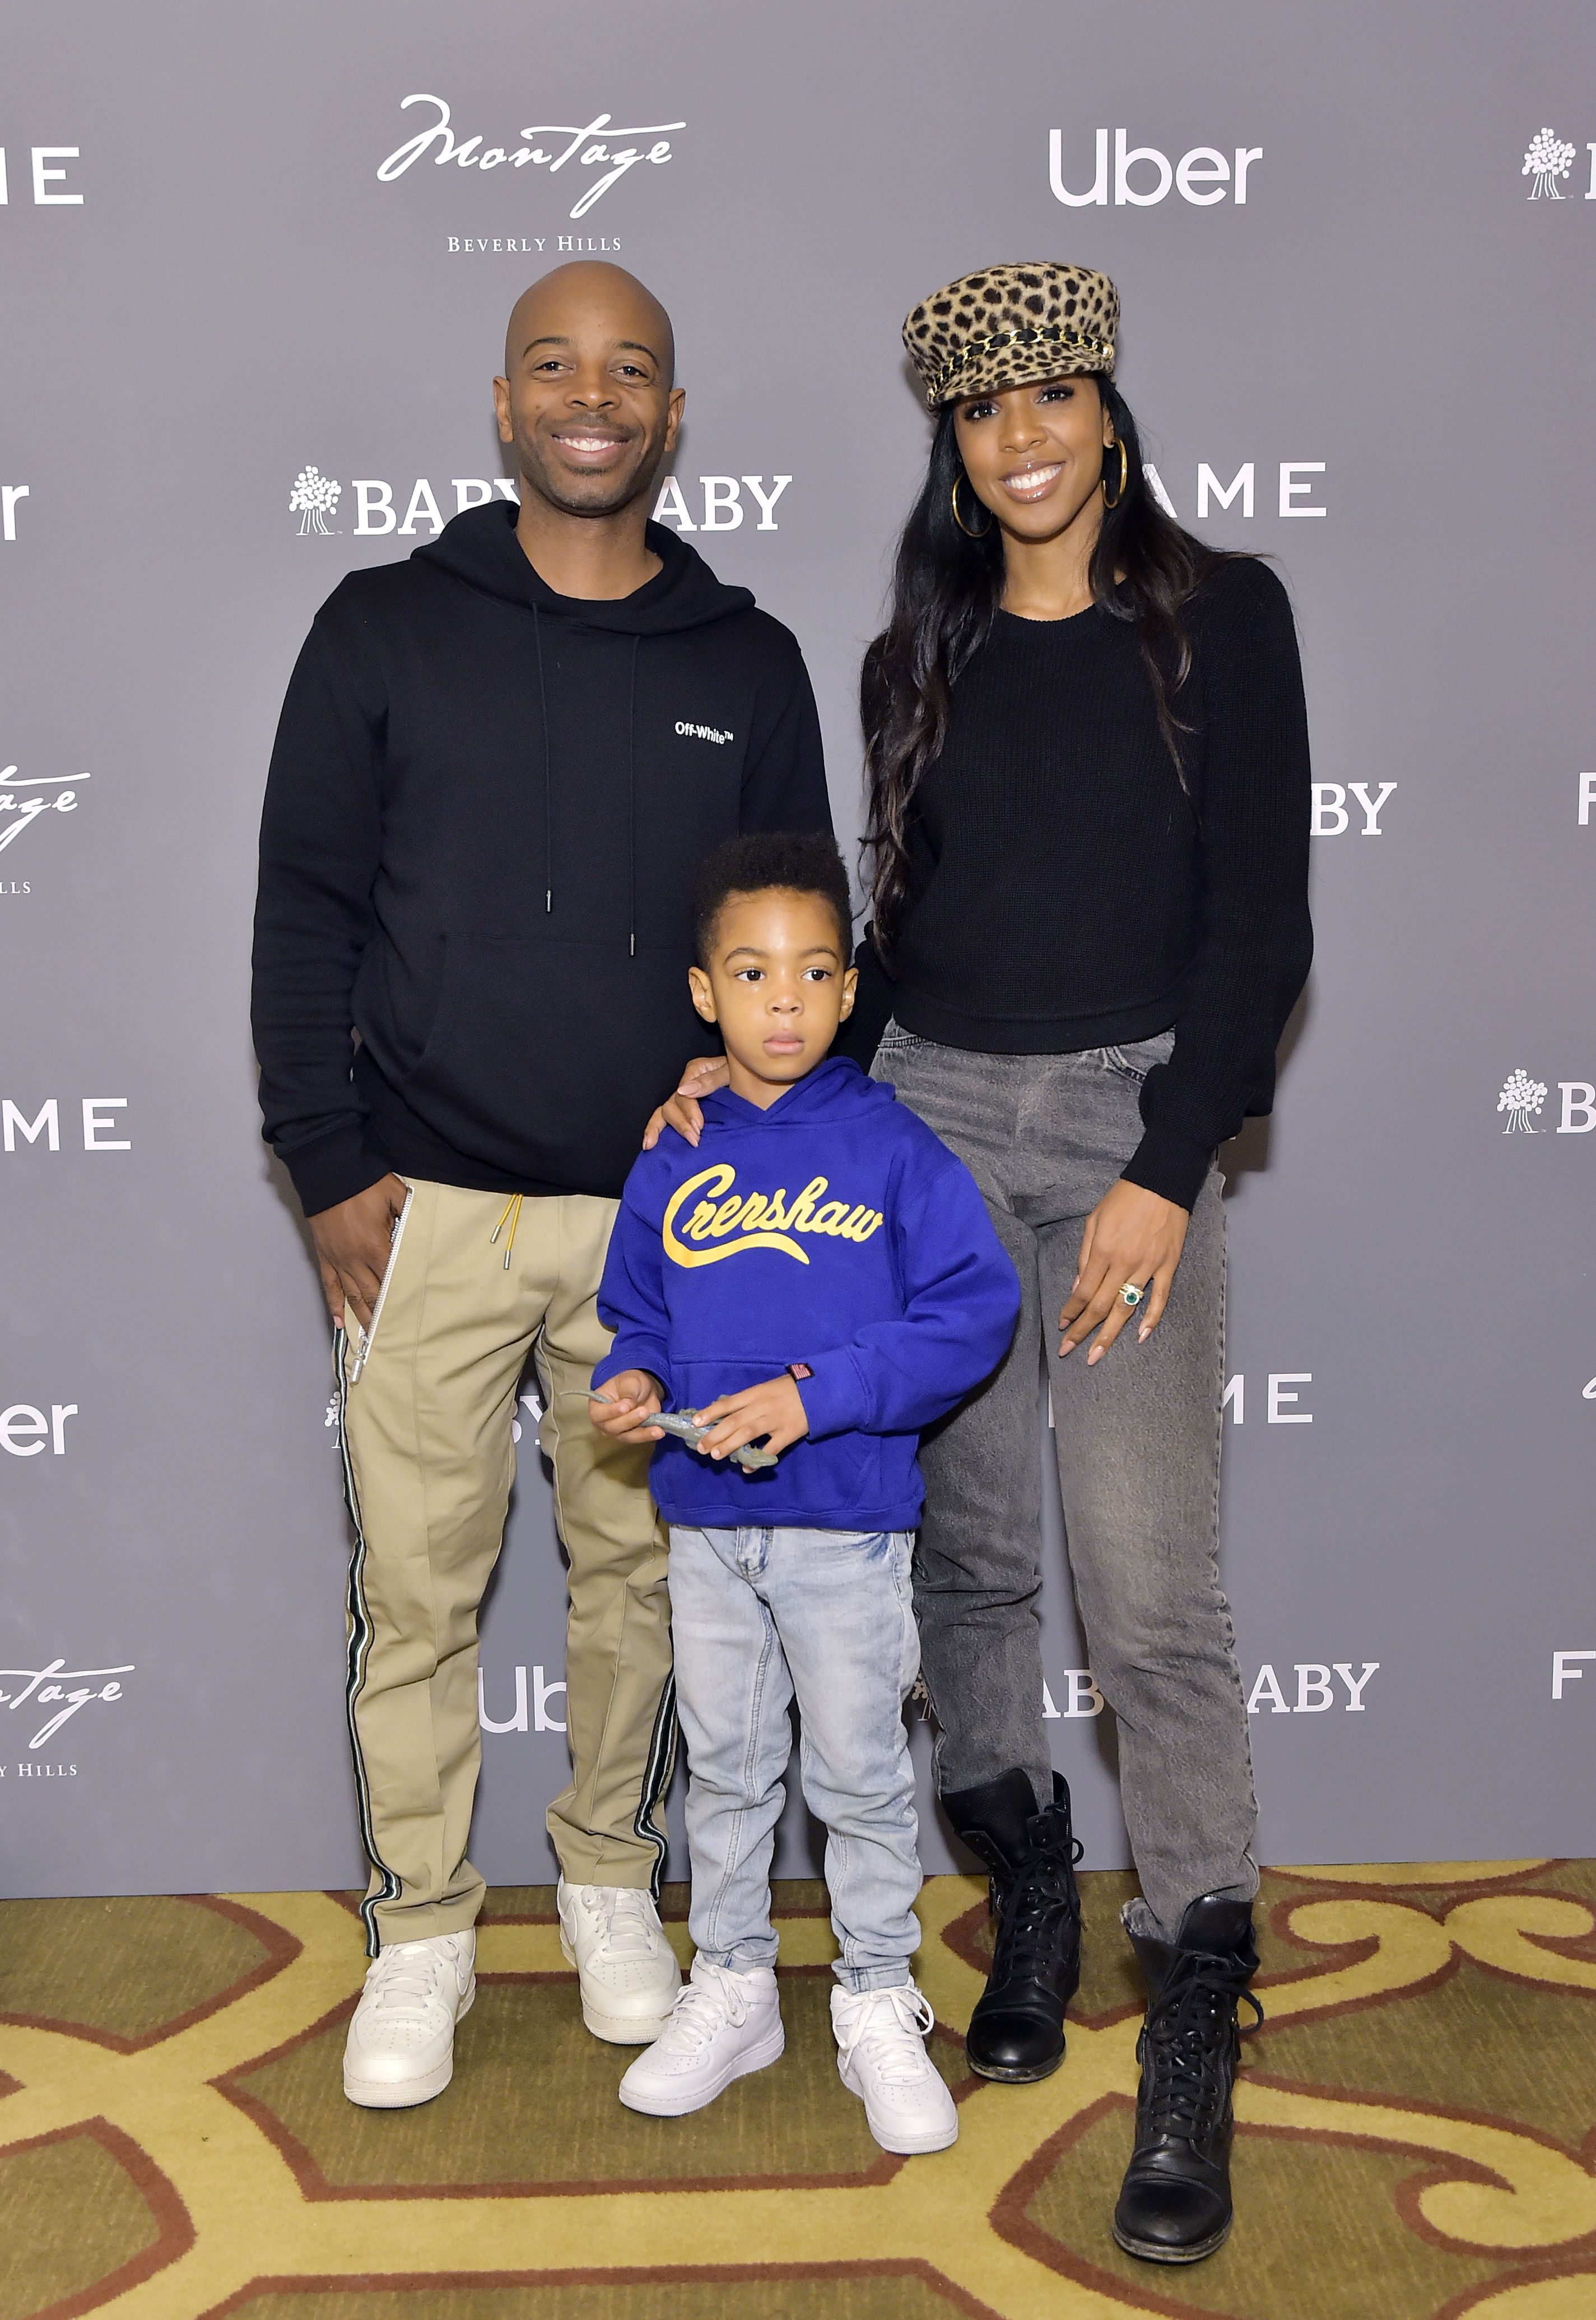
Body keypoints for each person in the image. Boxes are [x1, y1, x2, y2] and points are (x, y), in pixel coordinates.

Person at [652, 262, 1311, 2261]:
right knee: (973, 1556)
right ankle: (1027, 1893)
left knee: (1147, 1578)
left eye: (1054, 396)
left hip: (1130, 1130)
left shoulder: (1225, 618)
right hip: (927, 1120)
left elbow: (1259, 923)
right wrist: (765, 1084)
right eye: (982, 409)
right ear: (950, 438)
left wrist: (1168, 1163)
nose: (1020, 437)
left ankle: (1192, 1993)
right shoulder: (910, 651)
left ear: (1108, 407)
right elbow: (904, 943)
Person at [250, 262, 832, 2109]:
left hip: (671, 1223)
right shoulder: (379, 631)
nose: (595, 398)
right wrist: (332, 1167)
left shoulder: (745, 659)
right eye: (556, 369)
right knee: (413, 1596)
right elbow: (306, 916)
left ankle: (606, 1885)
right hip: (424, 1214)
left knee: (644, 1585)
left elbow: (810, 948)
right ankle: (417, 1932)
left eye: (633, 371)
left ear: (673, 416)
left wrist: (750, 1147)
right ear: (505, 406)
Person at [589, 831, 1019, 2155]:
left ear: (847, 991)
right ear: (705, 995)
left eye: (814, 970)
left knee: (859, 1776)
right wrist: (629, 1374)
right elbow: (636, 1311)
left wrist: (815, 1393)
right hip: (709, 1531)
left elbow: (975, 1308)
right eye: (753, 972)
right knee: (724, 1773)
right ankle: (733, 1982)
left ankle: (878, 1994)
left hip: (846, 1525)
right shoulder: (674, 1148)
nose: (784, 998)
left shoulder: (896, 1147)